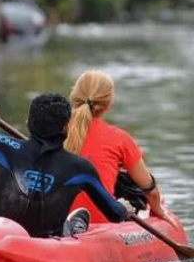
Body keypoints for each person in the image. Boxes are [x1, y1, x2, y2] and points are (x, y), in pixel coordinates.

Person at [0, 93, 135, 238]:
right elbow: (114, 214)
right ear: (67, 127)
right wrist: (125, 209)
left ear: (28, 123)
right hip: (47, 245)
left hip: (3, 237)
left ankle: (72, 224)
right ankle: (73, 226)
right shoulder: (80, 167)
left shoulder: (1, 146)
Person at [64, 70, 168, 228]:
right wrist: (158, 211)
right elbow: (150, 191)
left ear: (74, 96)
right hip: (100, 225)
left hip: (54, 223)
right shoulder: (120, 138)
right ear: (108, 103)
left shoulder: (52, 131)